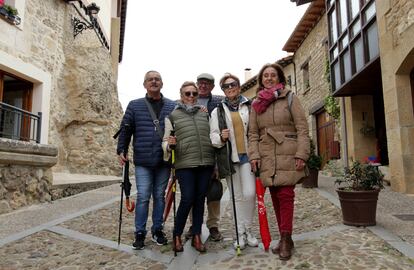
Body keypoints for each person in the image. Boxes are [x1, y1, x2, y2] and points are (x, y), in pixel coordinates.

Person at [248, 63, 310, 260]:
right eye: (265, 75)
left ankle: (285, 238)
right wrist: (254, 156)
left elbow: (302, 128)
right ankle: (286, 238)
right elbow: (252, 133)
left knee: (285, 195)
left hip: (288, 151)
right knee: (275, 195)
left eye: (272, 75)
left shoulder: (290, 97)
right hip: (267, 155)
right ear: (261, 80)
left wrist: (302, 154)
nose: (268, 78)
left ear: (279, 78)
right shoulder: (256, 104)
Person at [116, 70, 176, 250]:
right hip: (142, 160)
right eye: (150, 79)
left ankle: (157, 229)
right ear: (145, 84)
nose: (154, 82)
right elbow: (125, 129)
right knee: (142, 197)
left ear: (162, 83)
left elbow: (177, 130)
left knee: (159, 196)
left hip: (163, 160)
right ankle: (140, 232)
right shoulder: (134, 105)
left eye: (157, 79)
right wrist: (121, 150)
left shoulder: (172, 106)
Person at [163, 81, 215, 253]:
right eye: (188, 93)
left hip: (205, 162)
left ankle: (197, 236)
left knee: (200, 200)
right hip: (185, 164)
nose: (191, 96)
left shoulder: (204, 114)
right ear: (181, 95)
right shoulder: (172, 116)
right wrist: (169, 144)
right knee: (187, 199)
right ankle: (177, 234)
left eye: (194, 94)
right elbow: (165, 143)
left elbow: (211, 136)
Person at [209, 73, 258, 250]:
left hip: (248, 157)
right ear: (223, 90)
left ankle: (249, 229)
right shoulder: (218, 111)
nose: (230, 88)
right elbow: (212, 136)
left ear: (238, 86)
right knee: (236, 197)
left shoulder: (250, 106)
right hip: (229, 158)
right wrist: (221, 138)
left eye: (233, 84)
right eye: (226, 86)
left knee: (250, 194)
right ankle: (240, 234)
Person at [185, 73, 224, 242]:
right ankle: (194, 225)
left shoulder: (218, 103)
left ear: (212, 87)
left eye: (207, 83)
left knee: (214, 192)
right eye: (200, 83)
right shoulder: (185, 102)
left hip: (212, 152)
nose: (202, 86)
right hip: (192, 155)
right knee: (193, 193)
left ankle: (213, 225)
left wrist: (217, 163)